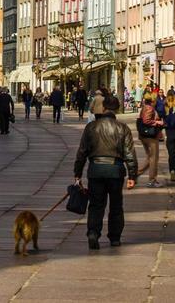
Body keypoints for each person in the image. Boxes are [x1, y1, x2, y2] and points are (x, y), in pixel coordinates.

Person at [73, 94, 138, 250]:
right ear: (116, 109)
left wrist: (77, 173)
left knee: (96, 205)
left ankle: (93, 233)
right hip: (116, 171)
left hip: (96, 170)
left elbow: (82, 152)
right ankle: (114, 237)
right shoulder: (122, 128)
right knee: (116, 205)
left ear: (103, 108)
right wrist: (132, 175)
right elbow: (129, 154)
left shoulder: (91, 127)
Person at [136, 90, 164, 187]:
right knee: (153, 158)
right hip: (150, 136)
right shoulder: (150, 108)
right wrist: (157, 122)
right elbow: (146, 120)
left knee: (150, 157)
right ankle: (152, 180)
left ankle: (136, 174)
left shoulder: (145, 107)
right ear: (153, 100)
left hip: (145, 136)